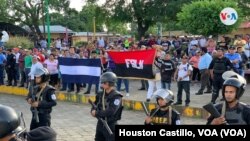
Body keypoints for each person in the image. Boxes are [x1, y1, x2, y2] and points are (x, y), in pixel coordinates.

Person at [90, 72, 123, 141]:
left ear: (110, 83)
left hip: (110, 125)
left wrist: (97, 113)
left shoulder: (116, 96)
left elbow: (111, 111)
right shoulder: (100, 94)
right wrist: (92, 110)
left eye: (104, 83)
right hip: (100, 123)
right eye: (102, 82)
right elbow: (95, 104)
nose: (102, 84)